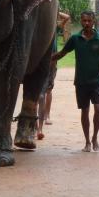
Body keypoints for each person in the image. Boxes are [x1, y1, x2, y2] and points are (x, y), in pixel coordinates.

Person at [51, 10, 99, 152]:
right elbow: (61, 54)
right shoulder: (75, 39)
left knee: (97, 108)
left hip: (97, 82)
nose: (86, 23)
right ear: (81, 21)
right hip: (81, 82)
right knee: (84, 111)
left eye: (89, 21)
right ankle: (87, 142)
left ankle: (95, 137)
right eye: (84, 21)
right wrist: (46, 60)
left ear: (93, 22)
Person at [36, 11, 71, 140]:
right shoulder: (40, 25)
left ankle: (47, 115)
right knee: (38, 93)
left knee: (48, 90)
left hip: (52, 60)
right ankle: (37, 123)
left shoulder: (54, 25)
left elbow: (67, 17)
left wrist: (55, 9)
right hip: (39, 60)